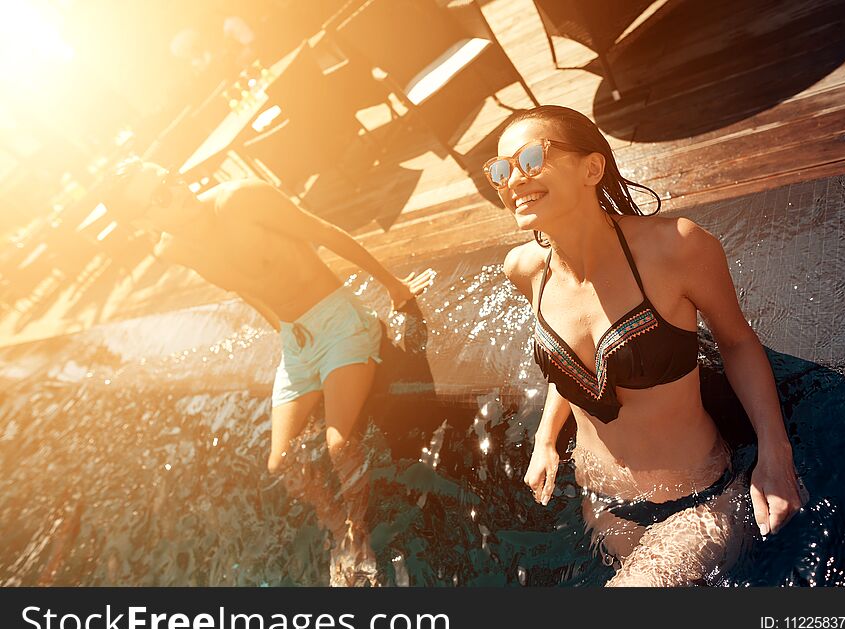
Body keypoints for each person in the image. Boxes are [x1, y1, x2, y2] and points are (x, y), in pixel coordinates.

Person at [488, 106, 804, 586]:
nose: (513, 178)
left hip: (698, 500)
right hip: (603, 507)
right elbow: (574, 369)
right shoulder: (525, 268)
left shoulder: (677, 248)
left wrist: (775, 454)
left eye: (531, 158)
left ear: (591, 168)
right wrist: (545, 440)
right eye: (500, 169)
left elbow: (738, 343)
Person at [101, 160, 433, 585]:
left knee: (338, 444)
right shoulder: (173, 249)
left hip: (341, 322)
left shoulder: (243, 199)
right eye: (161, 195)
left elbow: (326, 233)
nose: (178, 190)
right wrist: (283, 331)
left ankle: (357, 533)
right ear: (143, 221)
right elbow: (243, 287)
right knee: (282, 464)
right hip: (296, 343)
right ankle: (335, 529)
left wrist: (394, 287)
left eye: (169, 178)